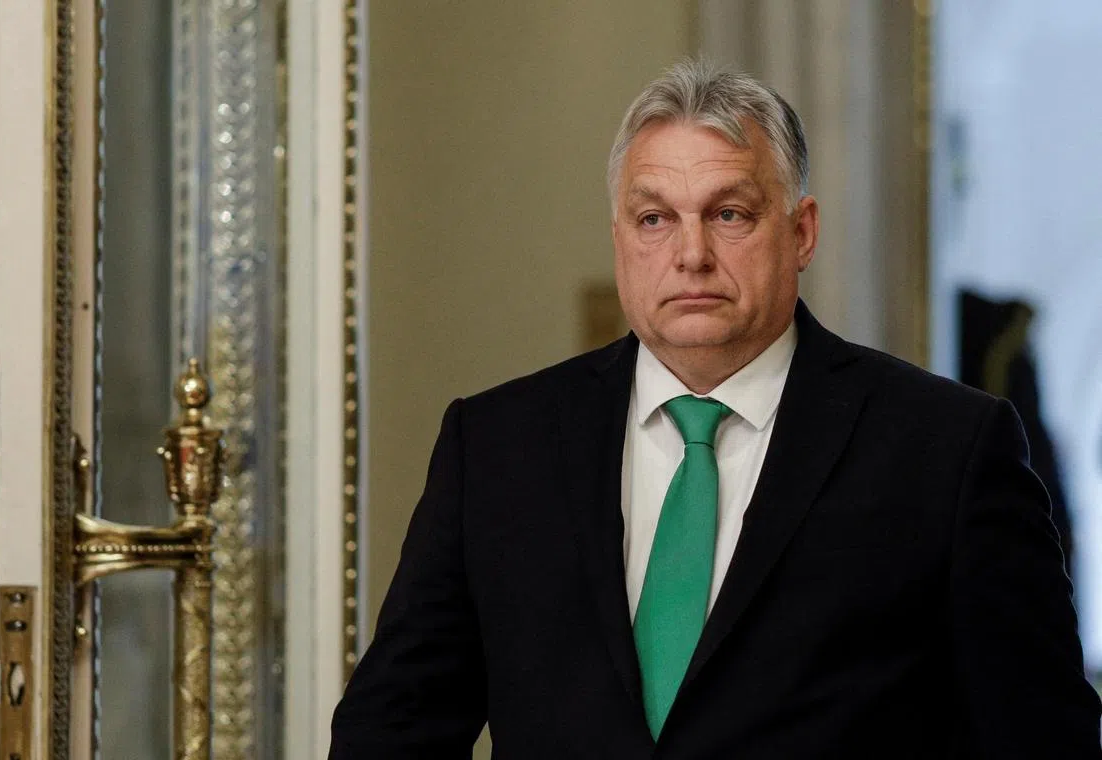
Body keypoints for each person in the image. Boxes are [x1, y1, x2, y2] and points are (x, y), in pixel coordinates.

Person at [330, 61, 1101, 758]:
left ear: (801, 232)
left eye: (728, 213)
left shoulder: (948, 452)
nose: (690, 254)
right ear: (620, 238)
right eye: (654, 218)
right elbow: (392, 730)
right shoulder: (497, 446)